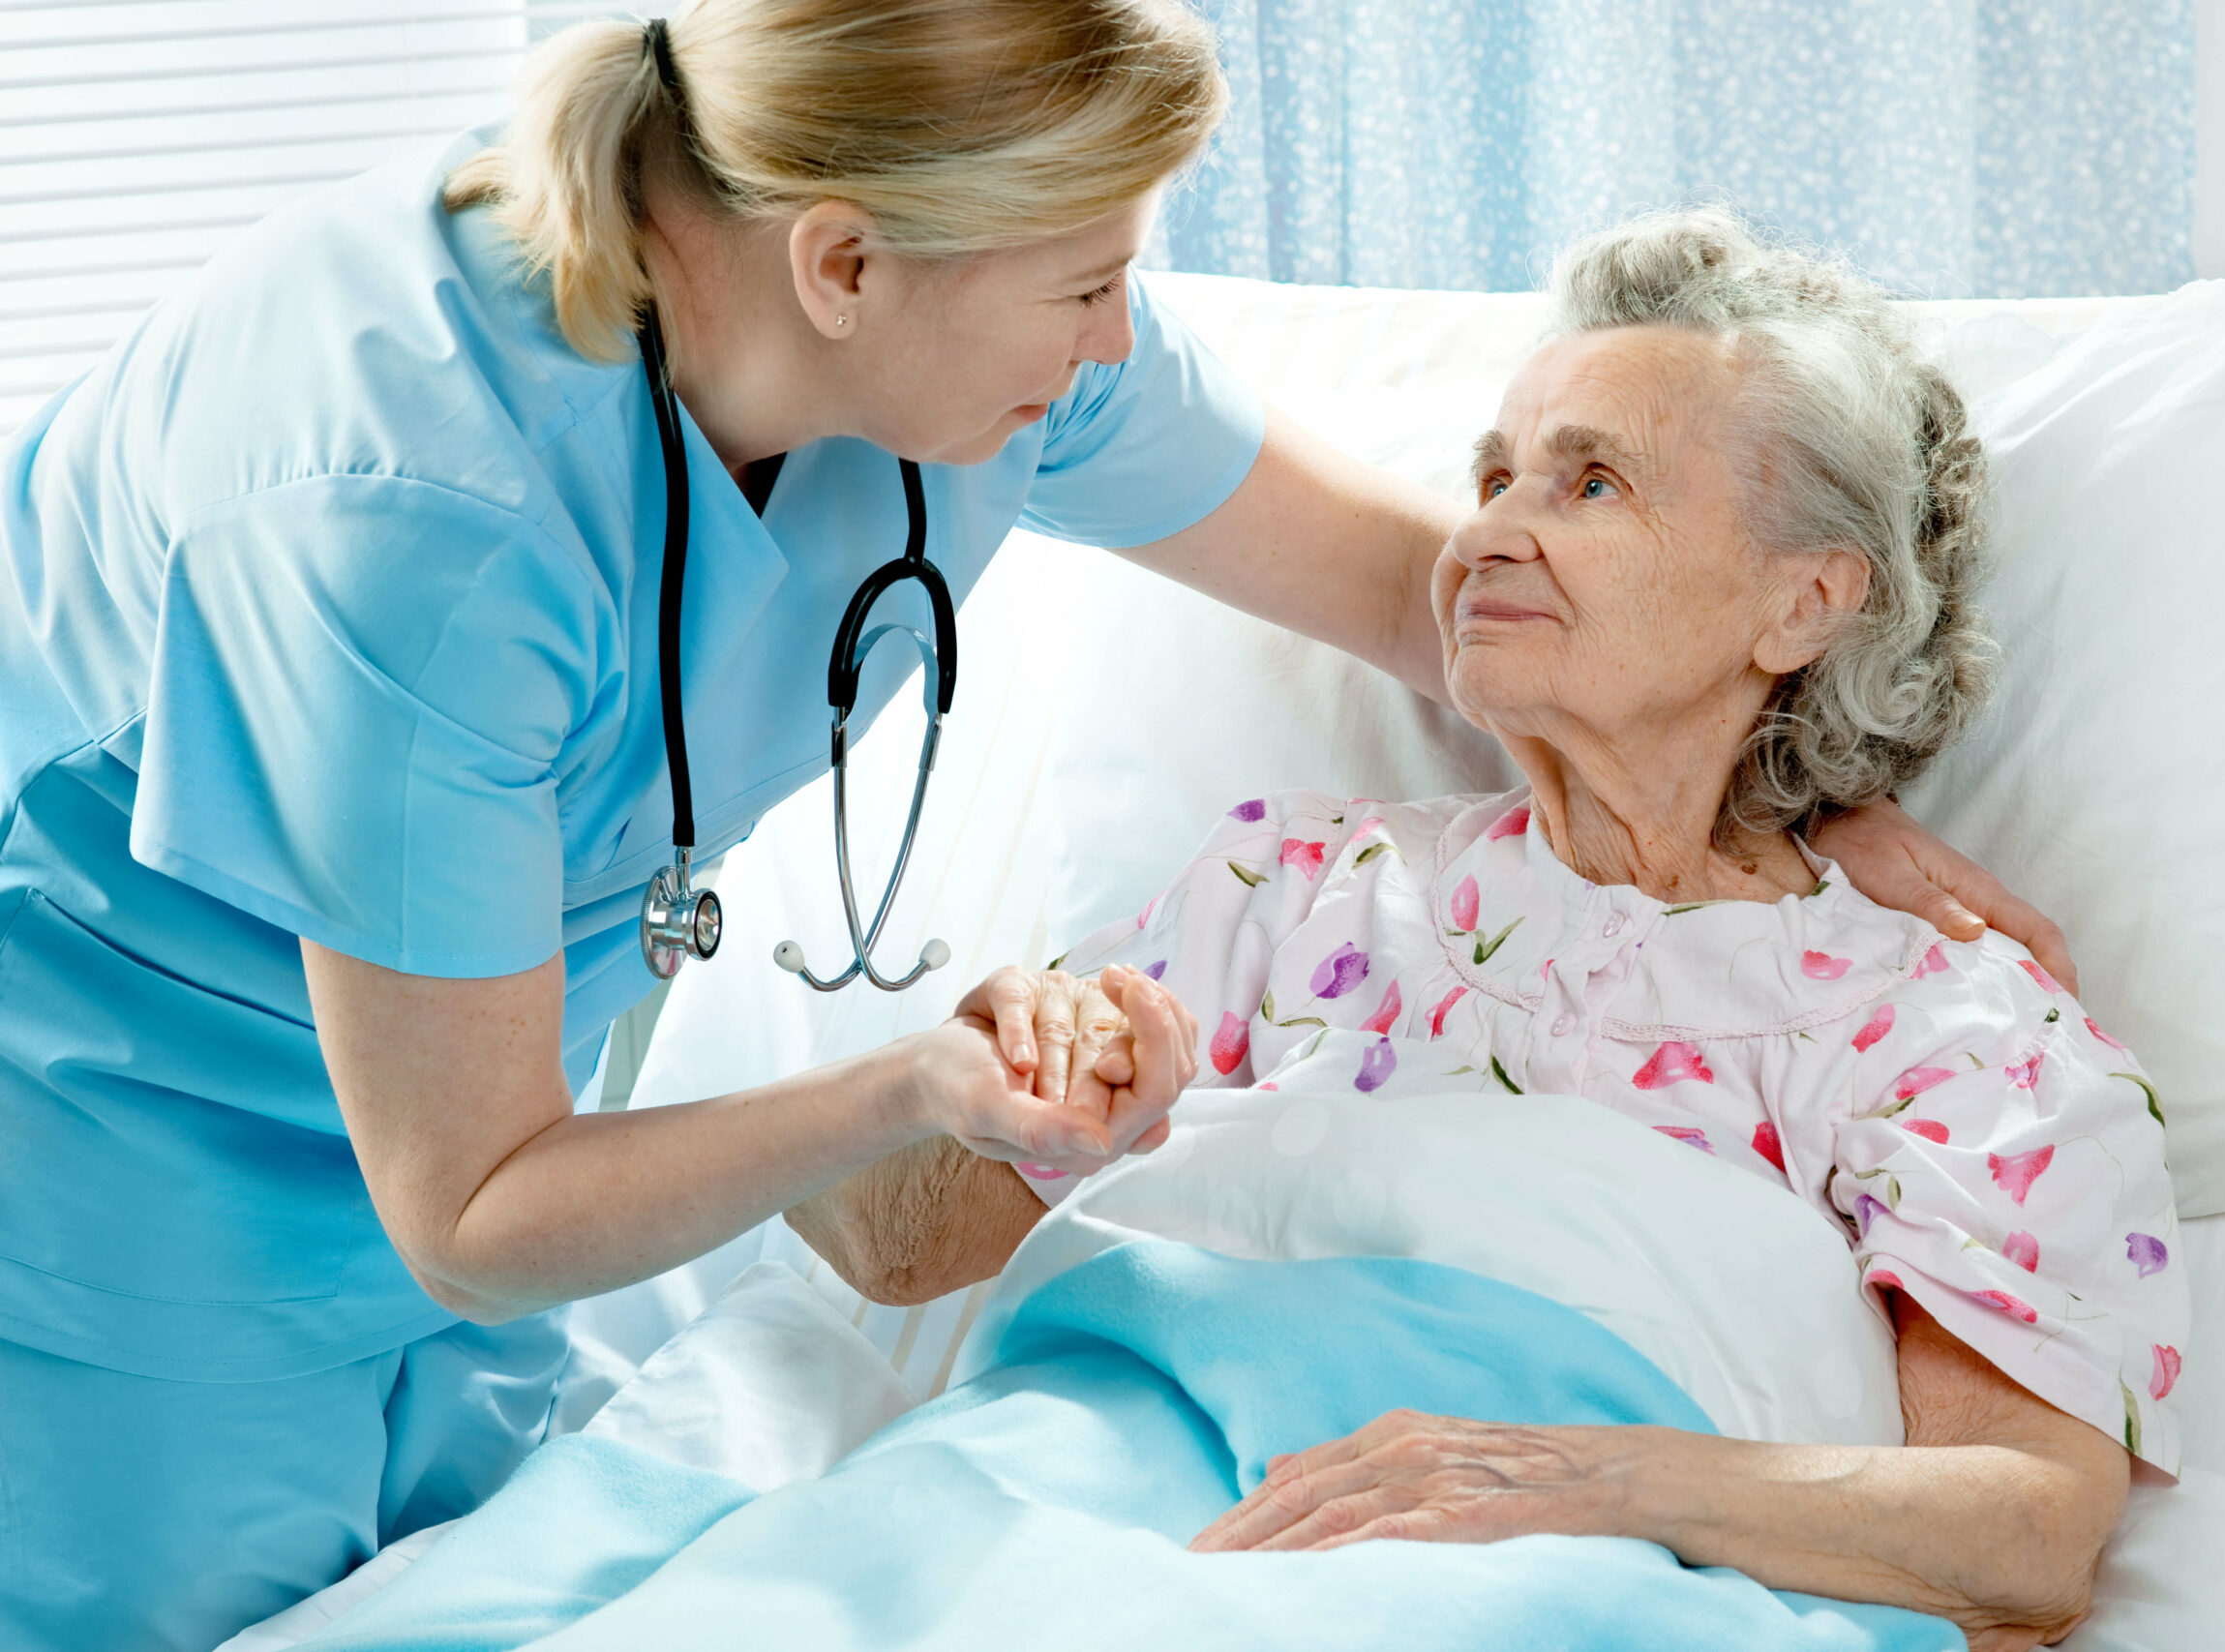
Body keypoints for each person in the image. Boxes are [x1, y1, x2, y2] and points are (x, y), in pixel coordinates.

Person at [0, 3, 2068, 1645]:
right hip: (108, 1097)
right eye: (1087, 286)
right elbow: (643, 1220)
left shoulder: (1948, 1028)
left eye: (1591, 483)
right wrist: (940, 1087)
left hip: (512, 1090)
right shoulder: (405, 507)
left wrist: (1816, 788)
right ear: (842, 265)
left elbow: (1406, 586)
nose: (1116, 342)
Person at [807, 208, 2182, 1650]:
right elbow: (884, 1250)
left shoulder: (1959, 1036)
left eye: (1592, 482)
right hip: (1085, 1519)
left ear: (1808, 601)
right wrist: (972, 1087)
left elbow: (2026, 1533)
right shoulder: (1289, 888)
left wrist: (1578, 1481)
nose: (1484, 534)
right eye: (1491, 477)